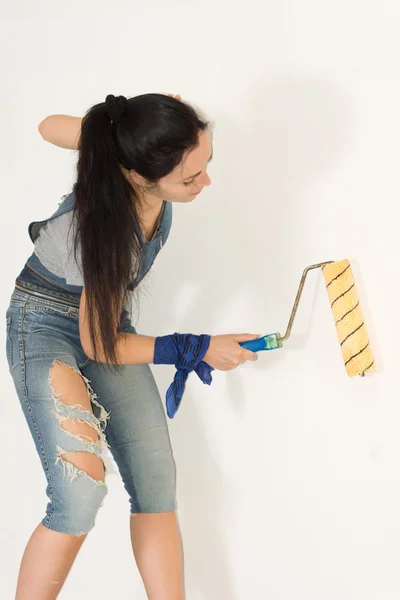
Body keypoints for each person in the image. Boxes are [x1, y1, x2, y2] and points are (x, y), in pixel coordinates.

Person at [5, 92, 258, 600]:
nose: (205, 183)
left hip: (105, 321)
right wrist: (193, 347)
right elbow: (100, 344)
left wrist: (123, 130)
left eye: (206, 164)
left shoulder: (123, 151)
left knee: (156, 484)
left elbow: (47, 126)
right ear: (140, 175)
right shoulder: (106, 229)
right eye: (190, 179)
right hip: (46, 324)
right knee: (78, 492)